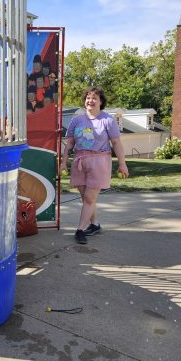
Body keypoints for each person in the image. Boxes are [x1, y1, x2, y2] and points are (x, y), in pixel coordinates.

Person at [60, 86, 129, 244]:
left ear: (101, 101)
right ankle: (95, 224)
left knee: (90, 198)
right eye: (88, 98)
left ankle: (80, 229)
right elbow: (69, 143)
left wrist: (122, 164)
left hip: (100, 161)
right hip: (80, 161)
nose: (90, 101)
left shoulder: (107, 120)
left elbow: (116, 142)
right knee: (86, 198)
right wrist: (63, 163)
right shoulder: (76, 120)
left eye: (94, 98)